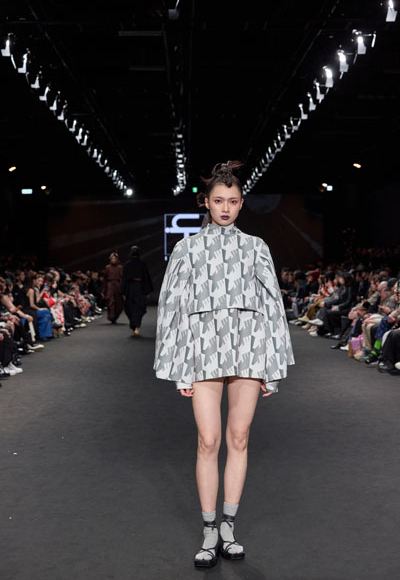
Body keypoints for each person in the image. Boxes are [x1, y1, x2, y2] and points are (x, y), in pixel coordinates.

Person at [153, 161, 295, 568]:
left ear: (242, 203)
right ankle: (209, 530)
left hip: (248, 349)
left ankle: (229, 527)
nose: (226, 208)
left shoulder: (256, 247)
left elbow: (272, 306)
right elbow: (172, 307)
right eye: (219, 201)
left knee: (239, 437)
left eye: (233, 201)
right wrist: (178, 365)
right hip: (203, 350)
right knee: (208, 440)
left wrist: (273, 365)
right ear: (206, 202)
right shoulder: (188, 249)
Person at [121, 245, 153, 336]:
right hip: (136, 287)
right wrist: (147, 291)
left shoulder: (135, 264)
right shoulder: (136, 264)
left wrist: (123, 292)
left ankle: (136, 325)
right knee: (132, 308)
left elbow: (145, 277)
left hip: (134, 287)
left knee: (137, 307)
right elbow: (146, 277)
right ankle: (135, 325)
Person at [102, 252, 124, 324]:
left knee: (119, 303)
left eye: (115, 258)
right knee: (110, 301)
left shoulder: (120, 267)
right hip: (110, 285)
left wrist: (123, 288)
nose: (113, 260)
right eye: (112, 258)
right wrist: (103, 290)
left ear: (117, 259)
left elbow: (122, 278)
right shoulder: (107, 267)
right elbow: (105, 279)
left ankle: (115, 317)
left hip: (118, 286)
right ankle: (111, 315)